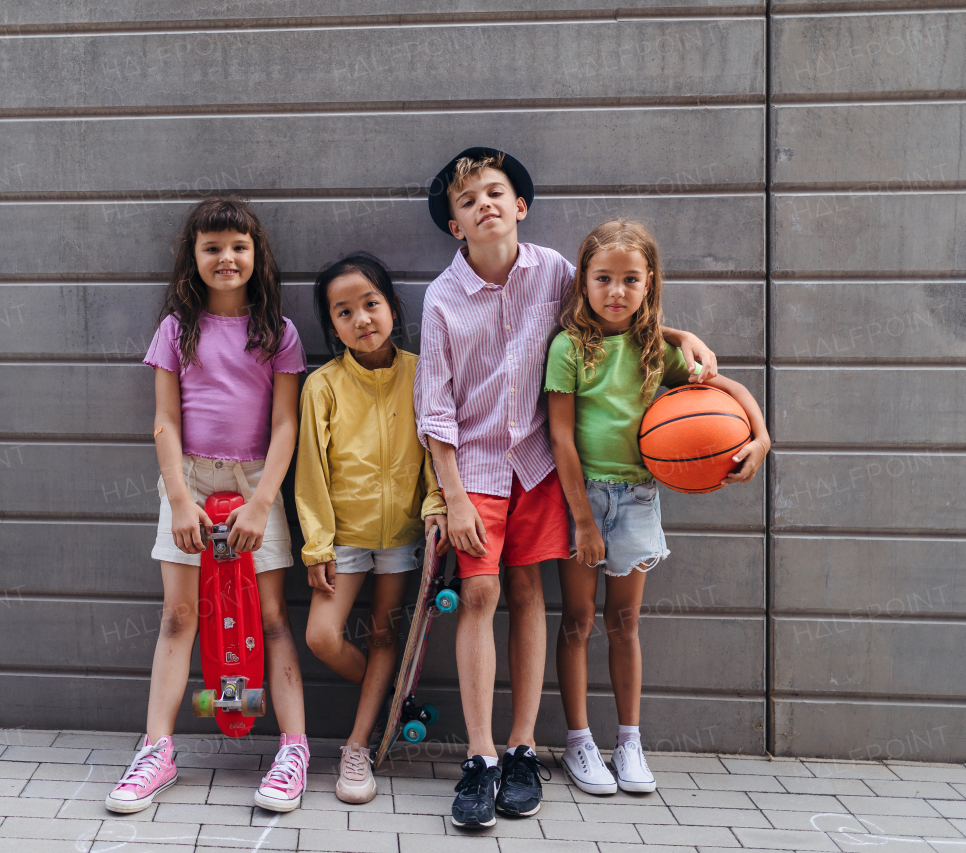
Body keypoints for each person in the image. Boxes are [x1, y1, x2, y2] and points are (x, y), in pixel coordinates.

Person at [413, 147, 719, 828]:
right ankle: (481, 757)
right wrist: (453, 494)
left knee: (526, 591)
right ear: (456, 225)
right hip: (479, 470)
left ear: (519, 205)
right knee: (480, 591)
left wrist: (680, 332)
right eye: (468, 201)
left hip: (540, 466)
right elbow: (433, 410)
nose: (484, 203)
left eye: (496, 192)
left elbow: (615, 319)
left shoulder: (553, 272)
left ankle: (522, 747)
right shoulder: (441, 298)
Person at [546, 219, 768, 795]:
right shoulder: (570, 348)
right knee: (577, 621)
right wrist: (583, 521)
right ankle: (578, 742)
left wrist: (761, 435)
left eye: (629, 279)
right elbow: (561, 440)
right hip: (583, 497)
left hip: (640, 496)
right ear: (583, 282)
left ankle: (628, 742)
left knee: (625, 624)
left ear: (649, 283)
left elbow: (728, 392)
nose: (615, 291)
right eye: (603, 278)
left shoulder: (655, 349)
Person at [105, 197, 310, 815]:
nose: (226, 258)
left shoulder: (278, 331)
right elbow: (165, 420)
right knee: (178, 615)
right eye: (212, 247)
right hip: (188, 480)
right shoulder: (176, 328)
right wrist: (179, 500)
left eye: (239, 247)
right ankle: (158, 749)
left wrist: (261, 502)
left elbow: (285, 426)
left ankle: (292, 748)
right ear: (192, 257)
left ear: (257, 255)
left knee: (270, 617)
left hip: (256, 483)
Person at [296, 252, 449, 804]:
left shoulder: (420, 370)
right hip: (344, 538)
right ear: (331, 325)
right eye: (344, 312)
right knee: (321, 637)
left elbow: (438, 444)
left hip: (405, 536)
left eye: (371, 304)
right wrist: (316, 544)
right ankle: (386, 696)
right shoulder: (323, 386)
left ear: (392, 305)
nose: (361, 319)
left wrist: (436, 505)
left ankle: (357, 745)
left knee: (386, 634)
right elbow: (310, 470)